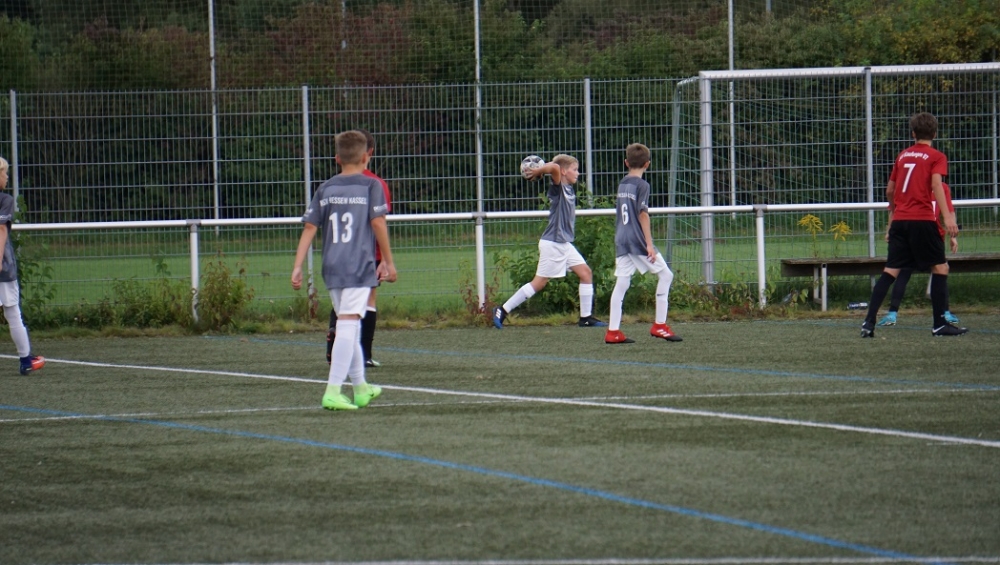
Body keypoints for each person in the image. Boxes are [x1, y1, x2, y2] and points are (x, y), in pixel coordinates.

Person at [291, 130, 397, 410]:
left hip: (332, 266)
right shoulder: (371, 185)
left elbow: (310, 227)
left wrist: (298, 266)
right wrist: (388, 261)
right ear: (365, 157)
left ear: (337, 158)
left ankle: (360, 388)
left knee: (348, 323)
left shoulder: (325, 188)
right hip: (357, 265)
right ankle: (333, 390)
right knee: (348, 325)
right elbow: (378, 223)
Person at [860, 112, 967, 338]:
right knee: (941, 267)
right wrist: (948, 218)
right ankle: (939, 324)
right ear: (935, 134)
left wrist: (895, 210)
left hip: (900, 221)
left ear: (913, 134)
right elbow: (936, 185)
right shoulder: (936, 156)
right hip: (922, 220)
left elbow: (890, 191)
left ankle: (868, 322)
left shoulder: (903, 155)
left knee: (890, 271)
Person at [493, 154, 606, 329]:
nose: (578, 173)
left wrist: (540, 170)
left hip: (564, 244)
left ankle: (586, 318)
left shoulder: (568, 189)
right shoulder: (558, 187)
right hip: (553, 243)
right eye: (575, 169)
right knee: (539, 283)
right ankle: (502, 310)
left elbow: (555, 168)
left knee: (586, 273)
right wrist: (539, 170)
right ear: (564, 172)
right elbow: (554, 168)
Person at [325, 129, 391, 368]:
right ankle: (363, 354)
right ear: (369, 153)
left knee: (342, 302)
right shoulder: (376, 184)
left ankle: (334, 344)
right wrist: (386, 260)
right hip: (367, 253)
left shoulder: (333, 185)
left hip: (337, 253)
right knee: (367, 299)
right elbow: (378, 222)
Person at [604, 143, 682, 344]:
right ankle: (660, 325)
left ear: (626, 162)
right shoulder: (642, 185)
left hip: (621, 238)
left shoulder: (623, 183)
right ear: (647, 164)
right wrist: (649, 244)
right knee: (666, 275)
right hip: (636, 240)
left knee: (622, 282)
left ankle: (613, 331)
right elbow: (643, 214)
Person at [877, 182, 960, 327]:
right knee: (939, 271)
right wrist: (953, 235)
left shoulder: (911, 185)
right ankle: (945, 312)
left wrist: (890, 230)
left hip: (915, 235)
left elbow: (895, 209)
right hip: (929, 236)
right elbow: (949, 212)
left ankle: (892, 313)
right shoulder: (935, 186)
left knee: (904, 272)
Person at [0, 157, 45, 375]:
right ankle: (26, 360)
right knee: (12, 312)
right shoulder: (5, 200)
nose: (7, 177)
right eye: (4, 173)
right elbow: (1, 230)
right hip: (3, 268)